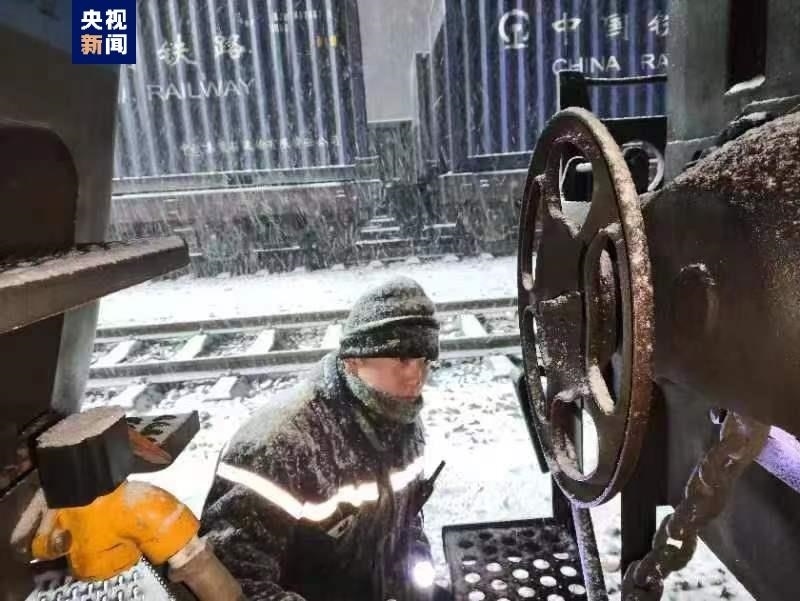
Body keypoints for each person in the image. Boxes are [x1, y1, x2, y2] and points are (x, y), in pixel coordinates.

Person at [200, 277, 448, 601]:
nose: (417, 375)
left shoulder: (402, 422)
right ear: (354, 360)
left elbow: (405, 521)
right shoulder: (279, 447)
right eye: (403, 359)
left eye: (425, 360)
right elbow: (235, 581)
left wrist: (413, 580)